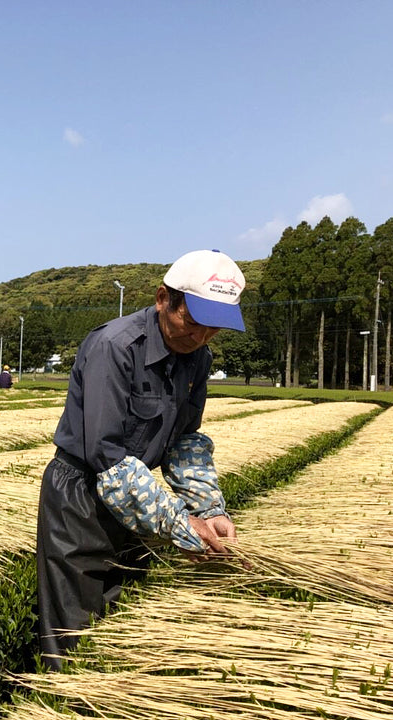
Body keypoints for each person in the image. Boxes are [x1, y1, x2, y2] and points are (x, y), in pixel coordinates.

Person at [36, 249, 246, 668]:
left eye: (214, 328)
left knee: (119, 617)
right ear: (162, 299)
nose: (201, 337)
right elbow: (107, 457)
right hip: (82, 498)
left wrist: (209, 507)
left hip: (136, 498)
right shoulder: (114, 347)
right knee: (73, 630)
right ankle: (62, 708)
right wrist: (177, 522)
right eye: (193, 320)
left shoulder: (198, 358)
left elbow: (185, 441)